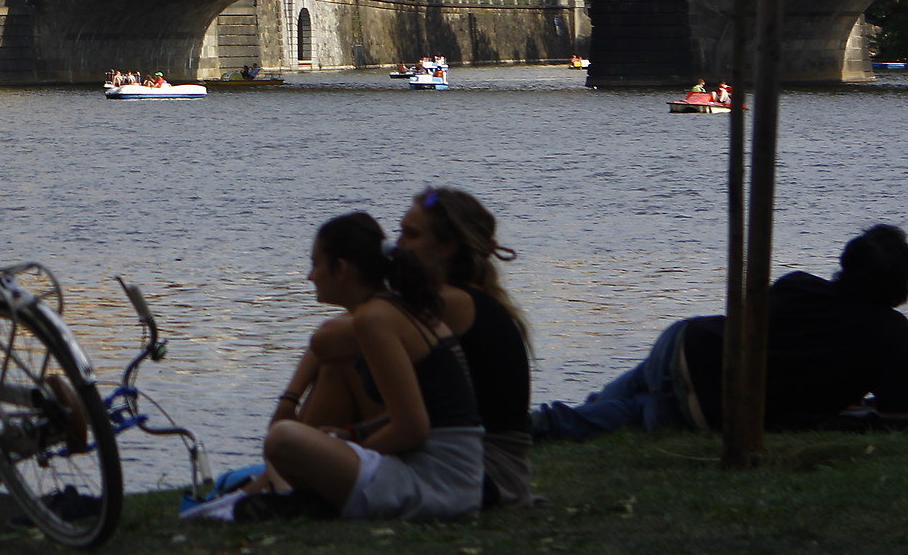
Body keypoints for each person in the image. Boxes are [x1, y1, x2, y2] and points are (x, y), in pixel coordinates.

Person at [197, 213, 482, 523]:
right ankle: (303, 501)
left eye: (315, 264)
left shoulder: (375, 319)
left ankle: (294, 498)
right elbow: (423, 407)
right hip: (451, 478)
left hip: (437, 484)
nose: (310, 276)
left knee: (283, 439)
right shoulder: (393, 309)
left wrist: (354, 451)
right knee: (303, 440)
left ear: (342, 269)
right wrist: (352, 433)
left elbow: (413, 428)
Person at [532, 224, 908, 440]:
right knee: (633, 413)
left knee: (634, 388)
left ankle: (544, 421)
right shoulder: (890, 334)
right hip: (709, 396)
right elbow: (895, 415)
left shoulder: (798, 284)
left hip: (685, 339)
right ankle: (542, 425)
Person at [397, 187, 532, 507]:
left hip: (488, 469)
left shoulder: (449, 303)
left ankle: (288, 473)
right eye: (400, 232)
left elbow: (341, 337)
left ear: (447, 246)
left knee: (341, 366)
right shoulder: (465, 297)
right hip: (474, 458)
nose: (398, 245)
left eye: (411, 235)